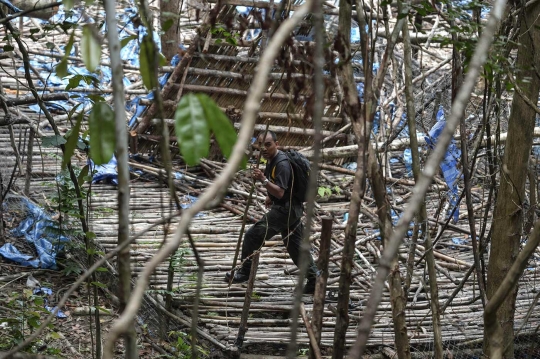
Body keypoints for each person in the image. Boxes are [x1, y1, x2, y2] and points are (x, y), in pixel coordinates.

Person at [225, 131, 319, 294]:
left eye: (268, 144)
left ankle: (244, 272)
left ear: (277, 144)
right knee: (295, 248)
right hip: (291, 209)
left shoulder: (281, 163)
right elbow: (280, 188)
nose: (264, 148)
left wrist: (263, 180)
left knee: (253, 236)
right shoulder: (272, 160)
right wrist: (270, 197)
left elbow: (281, 192)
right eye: (261, 145)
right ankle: (314, 279)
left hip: (286, 211)